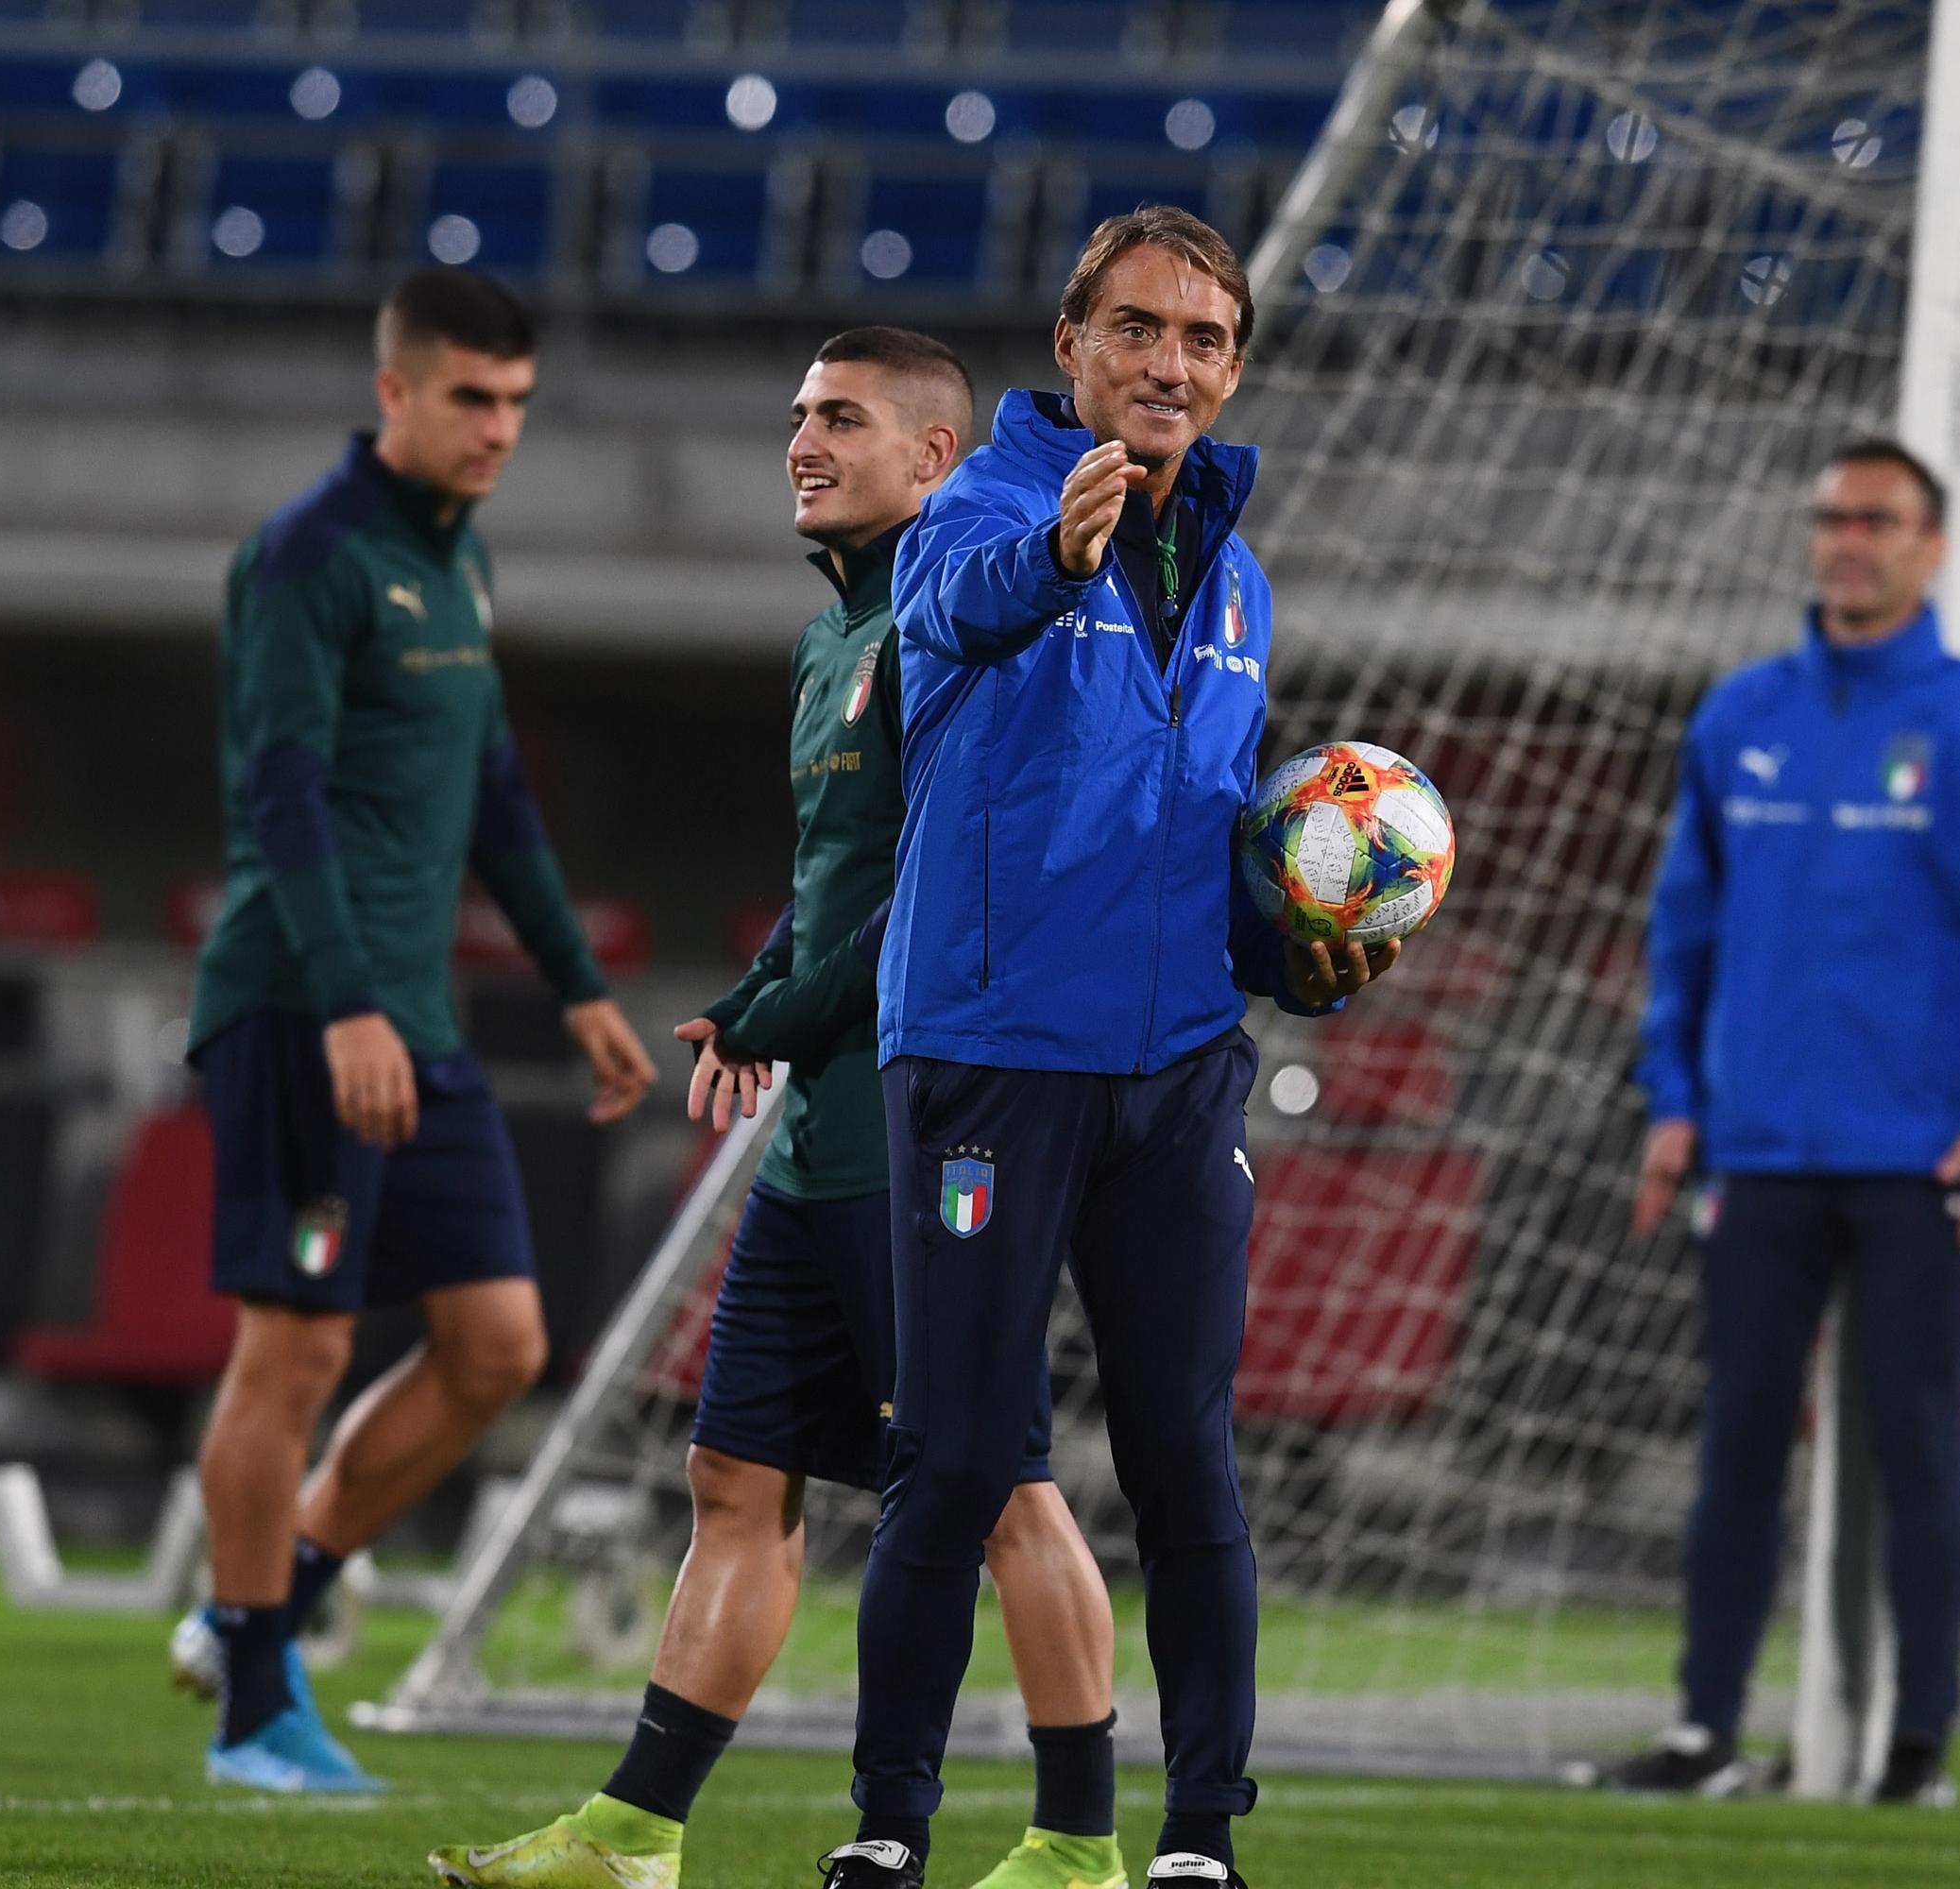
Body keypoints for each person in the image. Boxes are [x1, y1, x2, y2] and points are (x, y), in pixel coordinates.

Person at [431, 329, 1127, 1889]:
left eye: (841, 418)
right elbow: (839, 893)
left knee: (996, 1483)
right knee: (736, 1476)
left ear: (938, 459)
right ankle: (634, 1833)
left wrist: (777, 1008)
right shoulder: (828, 649)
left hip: (938, 1128)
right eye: (797, 416)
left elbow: (941, 905)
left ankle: (1079, 1842)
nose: (801, 442)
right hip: (823, 1138)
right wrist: (764, 998)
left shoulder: (983, 635)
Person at [814, 209, 1398, 1889]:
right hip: (993, 1054)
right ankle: (889, 1831)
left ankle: (1201, 1838)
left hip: (1178, 1070)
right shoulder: (976, 514)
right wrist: (1058, 555)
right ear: (1070, 347)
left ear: (1230, 370)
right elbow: (965, 610)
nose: (1170, 365)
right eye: (1138, 330)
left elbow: (1203, 833)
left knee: (1185, 1454)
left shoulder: (1236, 575)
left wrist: (1306, 949)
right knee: (957, 1452)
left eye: (1203, 340)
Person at [178, 266, 658, 1793]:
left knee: (497, 1346)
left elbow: (493, 792)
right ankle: (256, 1710)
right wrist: (350, 1010)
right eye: (470, 398)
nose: (497, 429)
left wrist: (577, 981)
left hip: (425, 1024)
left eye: (516, 404)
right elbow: (281, 799)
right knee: (299, 1347)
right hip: (306, 1008)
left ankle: (271, 1600)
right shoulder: (309, 559)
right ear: (395, 391)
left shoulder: (462, 563)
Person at [1618, 440, 1960, 1805]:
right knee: (1737, 1444)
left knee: (1918, 1443)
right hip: (1756, 1151)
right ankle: (1707, 1732)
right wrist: (1674, 1100)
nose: (1847, 541)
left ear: (1931, 547)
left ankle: (1918, 1748)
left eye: (1877, 521)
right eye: (1830, 519)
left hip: (1920, 1156)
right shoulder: (1738, 716)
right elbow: (1683, 933)